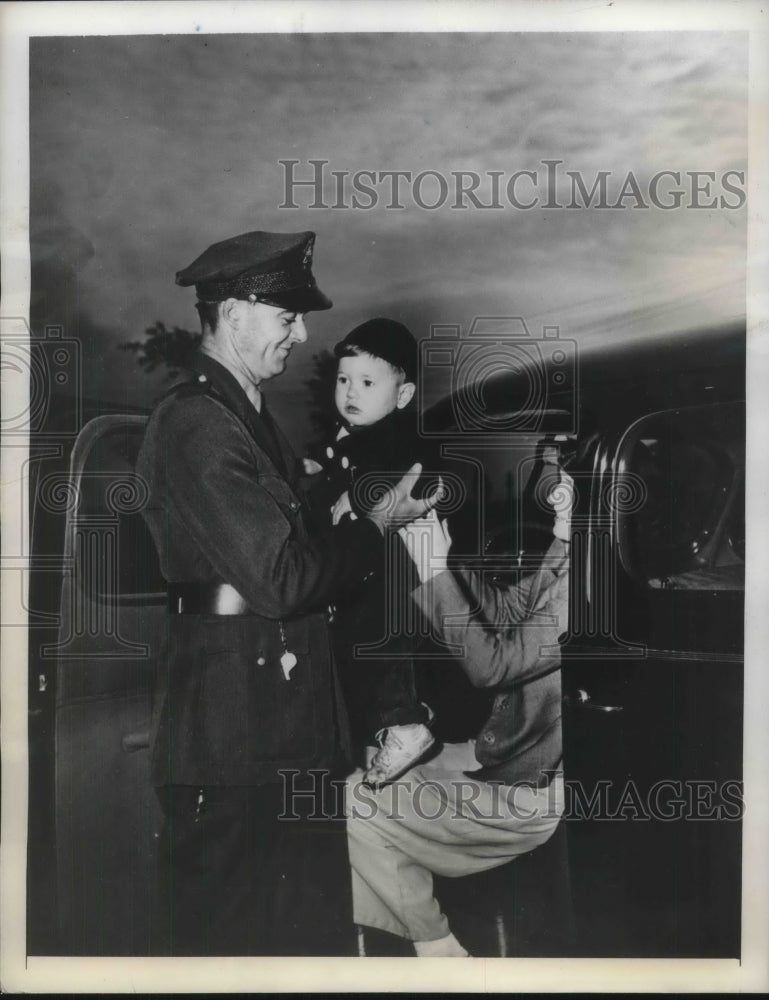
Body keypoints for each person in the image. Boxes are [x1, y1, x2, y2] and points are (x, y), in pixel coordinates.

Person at [136, 229, 440, 956]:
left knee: (304, 944)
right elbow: (282, 579)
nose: (301, 335)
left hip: (283, 739)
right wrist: (373, 522)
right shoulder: (195, 425)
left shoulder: (247, 422)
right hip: (232, 747)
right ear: (236, 314)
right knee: (232, 950)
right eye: (287, 317)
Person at [346, 444, 572, 957]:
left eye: (567, 469)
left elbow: (495, 664)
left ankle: (440, 950)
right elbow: (509, 607)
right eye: (553, 465)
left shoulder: (591, 581)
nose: (553, 479)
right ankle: (430, 939)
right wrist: (435, 562)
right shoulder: (576, 550)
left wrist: (434, 571)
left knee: (350, 803)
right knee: (351, 770)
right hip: (508, 758)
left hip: (535, 793)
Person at [310, 318, 438, 788]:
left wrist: (358, 497)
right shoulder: (347, 441)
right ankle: (392, 718)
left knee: (378, 636)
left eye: (367, 382)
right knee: (356, 640)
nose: (351, 392)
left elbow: (420, 478)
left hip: (395, 570)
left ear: (402, 396)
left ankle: (405, 724)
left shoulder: (399, 435)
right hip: (368, 565)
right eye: (344, 380)